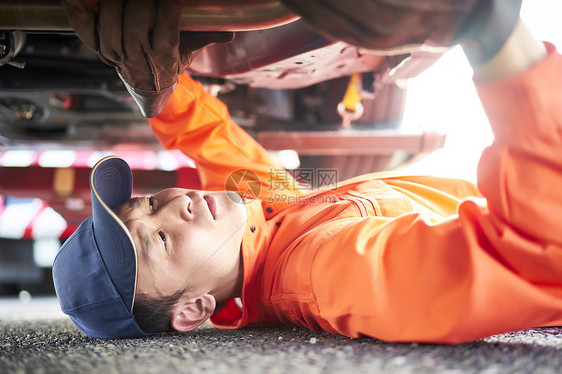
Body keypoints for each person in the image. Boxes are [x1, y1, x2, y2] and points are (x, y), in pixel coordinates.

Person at [53, 0, 562, 343]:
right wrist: (492, 34)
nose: (172, 206)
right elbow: (534, 253)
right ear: (194, 310)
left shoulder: (260, 221)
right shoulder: (325, 271)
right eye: (158, 242)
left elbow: (205, 137)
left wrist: (148, 80)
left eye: (145, 204)